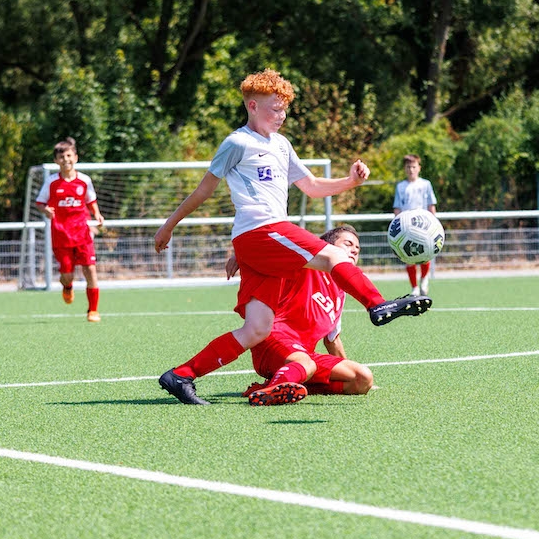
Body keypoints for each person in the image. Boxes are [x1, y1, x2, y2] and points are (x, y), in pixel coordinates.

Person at [153, 69, 430, 405]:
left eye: (284, 109)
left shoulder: (282, 145)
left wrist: (350, 182)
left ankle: (181, 375)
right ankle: (377, 304)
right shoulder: (237, 142)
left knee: (256, 329)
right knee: (334, 255)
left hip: (262, 241)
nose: (281, 116)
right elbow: (203, 190)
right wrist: (169, 225)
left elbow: (311, 186)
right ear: (252, 106)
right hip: (261, 230)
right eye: (275, 109)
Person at [238, 225, 375, 406]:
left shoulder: (340, 294)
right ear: (327, 247)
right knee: (305, 363)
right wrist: (240, 254)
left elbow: (332, 341)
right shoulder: (308, 265)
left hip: (303, 357)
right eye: (348, 244)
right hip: (273, 340)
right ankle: (271, 390)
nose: (354, 251)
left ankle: (281, 383)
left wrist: (345, 371)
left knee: (362, 379)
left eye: (357, 249)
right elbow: (280, 242)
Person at [34, 137, 105, 322]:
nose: (65, 159)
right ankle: (67, 286)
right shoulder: (51, 182)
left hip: (82, 232)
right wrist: (45, 210)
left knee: (90, 270)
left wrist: (97, 215)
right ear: (56, 161)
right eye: (61, 157)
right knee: (67, 275)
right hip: (61, 234)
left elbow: (91, 200)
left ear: (75, 157)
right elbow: (40, 202)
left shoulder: (84, 180)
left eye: (68, 155)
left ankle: (93, 310)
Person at [393, 153, 438, 296]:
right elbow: (397, 208)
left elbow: (431, 205)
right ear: (405, 169)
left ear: (419, 168)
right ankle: (414, 287)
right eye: (408, 167)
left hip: (424, 227)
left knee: (425, 254)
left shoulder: (425, 184)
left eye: (413, 167)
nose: (411, 170)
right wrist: (397, 226)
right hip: (407, 229)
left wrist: (434, 224)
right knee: (409, 257)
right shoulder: (401, 186)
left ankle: (424, 279)